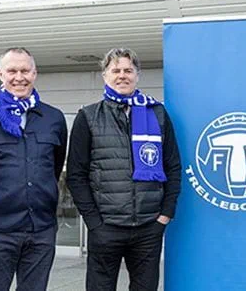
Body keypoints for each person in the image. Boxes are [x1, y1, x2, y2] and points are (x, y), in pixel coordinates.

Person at [66, 47, 181, 291]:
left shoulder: (158, 114)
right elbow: (76, 175)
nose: (122, 75)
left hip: (149, 226)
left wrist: (165, 215)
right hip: (106, 226)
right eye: (115, 70)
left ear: (137, 75)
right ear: (105, 75)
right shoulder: (88, 117)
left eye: (128, 70)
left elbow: (173, 166)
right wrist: (94, 222)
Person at [0, 47, 68, 291]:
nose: (19, 77)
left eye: (25, 70)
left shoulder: (53, 118)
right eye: (12, 71)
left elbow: (54, 166)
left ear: (35, 73)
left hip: (41, 228)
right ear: (1, 74)